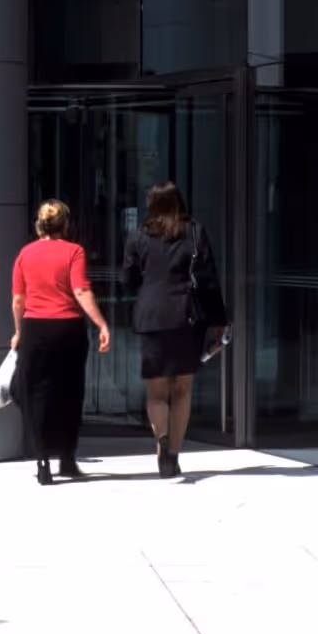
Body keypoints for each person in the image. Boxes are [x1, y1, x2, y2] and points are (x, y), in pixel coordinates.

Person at [121, 179, 227, 476]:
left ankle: (161, 439)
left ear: (152, 204)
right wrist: (219, 319)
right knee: (182, 389)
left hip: (152, 316)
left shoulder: (137, 236)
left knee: (156, 391)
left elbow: (128, 280)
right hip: (186, 316)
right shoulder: (194, 231)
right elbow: (208, 280)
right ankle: (173, 455)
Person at [10, 199, 111, 484]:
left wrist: (19, 332)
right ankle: (66, 458)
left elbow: (18, 299)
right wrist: (101, 323)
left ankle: (42, 460)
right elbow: (80, 290)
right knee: (69, 392)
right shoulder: (73, 251)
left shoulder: (25, 254)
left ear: (39, 225)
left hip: (35, 328)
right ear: (66, 224)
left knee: (36, 392)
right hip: (68, 328)